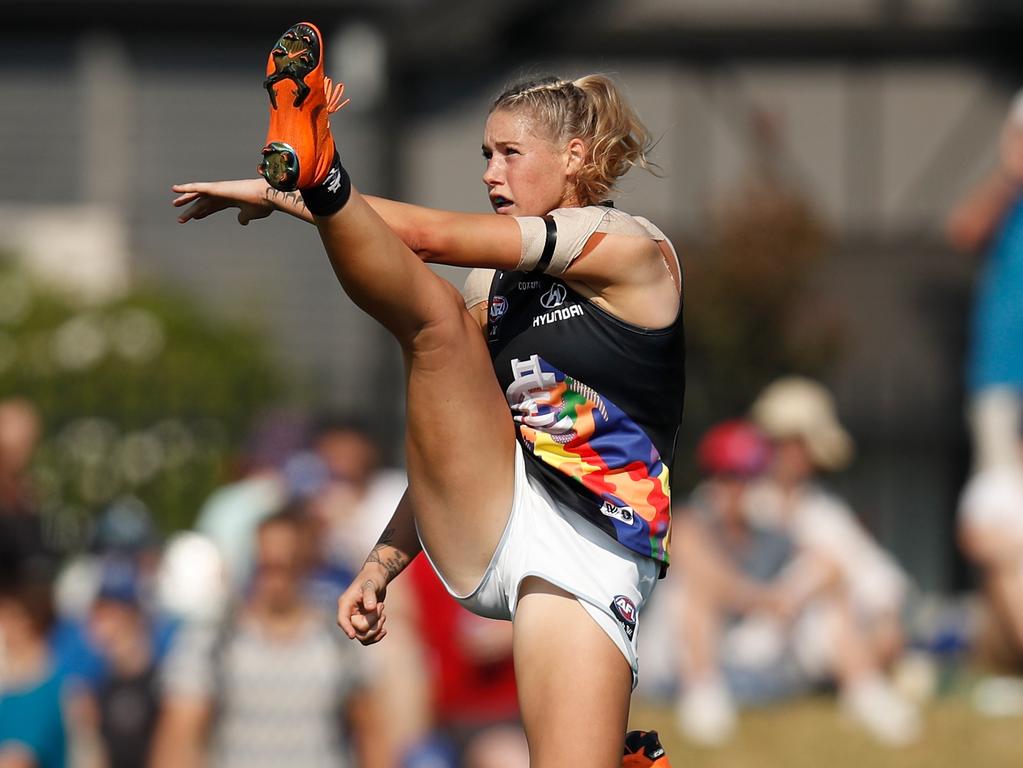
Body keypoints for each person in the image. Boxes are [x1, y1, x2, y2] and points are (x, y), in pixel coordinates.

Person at [171, 20, 682, 768]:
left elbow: (431, 237)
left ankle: (320, 168)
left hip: (590, 544)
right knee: (437, 322)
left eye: (509, 154)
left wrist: (286, 192)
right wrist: (379, 564)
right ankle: (320, 166)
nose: (489, 174)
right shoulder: (494, 289)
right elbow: (456, 437)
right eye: (485, 155)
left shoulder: (630, 247)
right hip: (491, 507)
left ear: (573, 157)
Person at [746, 376, 920, 746]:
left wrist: (886, 621)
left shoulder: (822, 509)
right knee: (826, 580)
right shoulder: (738, 501)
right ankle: (865, 689)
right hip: (750, 643)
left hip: (809, 642)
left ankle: (862, 683)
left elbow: (880, 577)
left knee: (835, 595)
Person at [150, 508, 377, 768]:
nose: (275, 580)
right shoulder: (212, 639)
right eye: (266, 566)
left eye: (286, 566)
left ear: (305, 564)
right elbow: (178, 740)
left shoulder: (339, 638)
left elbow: (369, 734)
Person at [946, 88, 1023, 473]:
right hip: (1002, 369)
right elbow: (963, 229)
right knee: (1003, 490)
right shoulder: (1007, 196)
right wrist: (1009, 175)